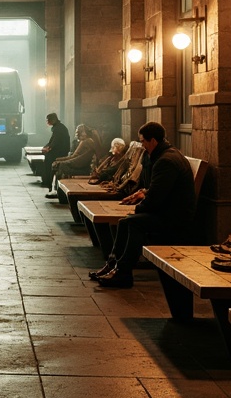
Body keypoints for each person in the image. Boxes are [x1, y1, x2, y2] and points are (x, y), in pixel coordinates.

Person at [93, 121, 197, 288]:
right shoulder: (162, 156)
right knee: (125, 222)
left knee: (133, 223)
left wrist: (137, 209)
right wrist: (143, 194)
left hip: (175, 217)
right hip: (168, 210)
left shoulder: (166, 161)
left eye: (142, 141)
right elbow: (156, 188)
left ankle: (123, 272)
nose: (141, 145)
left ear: (153, 141)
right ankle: (113, 265)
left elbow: (155, 198)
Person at [45, 124, 104, 198]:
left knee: (60, 166)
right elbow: (75, 156)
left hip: (84, 168)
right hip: (79, 164)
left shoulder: (87, 142)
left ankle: (59, 192)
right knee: (57, 164)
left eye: (78, 131)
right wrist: (60, 160)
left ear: (83, 132)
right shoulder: (83, 141)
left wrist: (64, 162)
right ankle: (54, 189)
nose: (76, 133)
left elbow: (81, 159)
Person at [39, 112, 71, 187]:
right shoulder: (58, 127)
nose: (47, 122)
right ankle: (47, 180)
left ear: (53, 120)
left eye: (48, 120)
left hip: (60, 152)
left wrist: (48, 148)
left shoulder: (59, 129)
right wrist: (46, 147)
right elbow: (52, 141)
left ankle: (47, 181)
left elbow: (55, 142)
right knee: (47, 157)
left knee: (48, 160)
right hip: (59, 150)